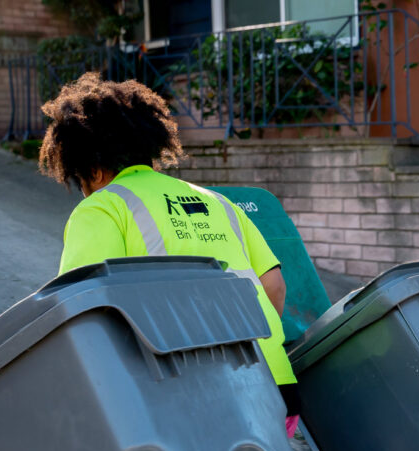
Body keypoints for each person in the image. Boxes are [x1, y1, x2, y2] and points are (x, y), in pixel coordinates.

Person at [38, 72, 299, 422]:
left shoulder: (101, 208)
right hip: (275, 384)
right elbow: (274, 287)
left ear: (94, 170)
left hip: (186, 393)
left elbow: (84, 313)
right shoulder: (220, 203)